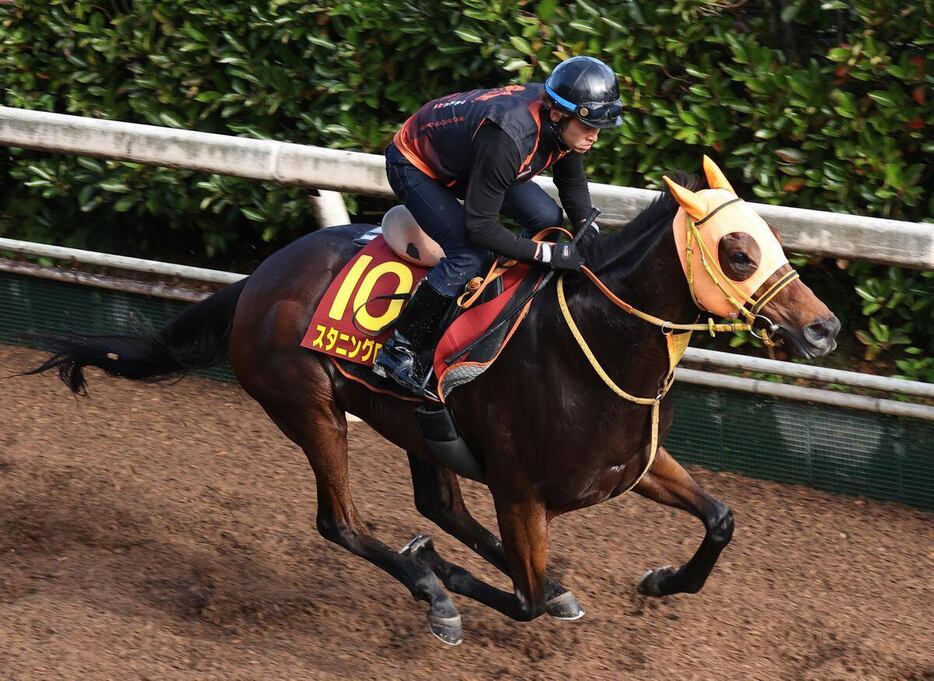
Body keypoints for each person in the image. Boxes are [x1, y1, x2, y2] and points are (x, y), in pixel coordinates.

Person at [373, 56, 623, 393]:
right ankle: (399, 350)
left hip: (470, 158)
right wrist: (548, 254)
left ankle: (508, 303)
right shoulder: (509, 136)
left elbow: (572, 184)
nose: (594, 137)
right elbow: (480, 228)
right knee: (468, 255)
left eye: (599, 128)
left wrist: (587, 231)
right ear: (556, 114)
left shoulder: (566, 120)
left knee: (546, 218)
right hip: (416, 164)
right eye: (588, 127)